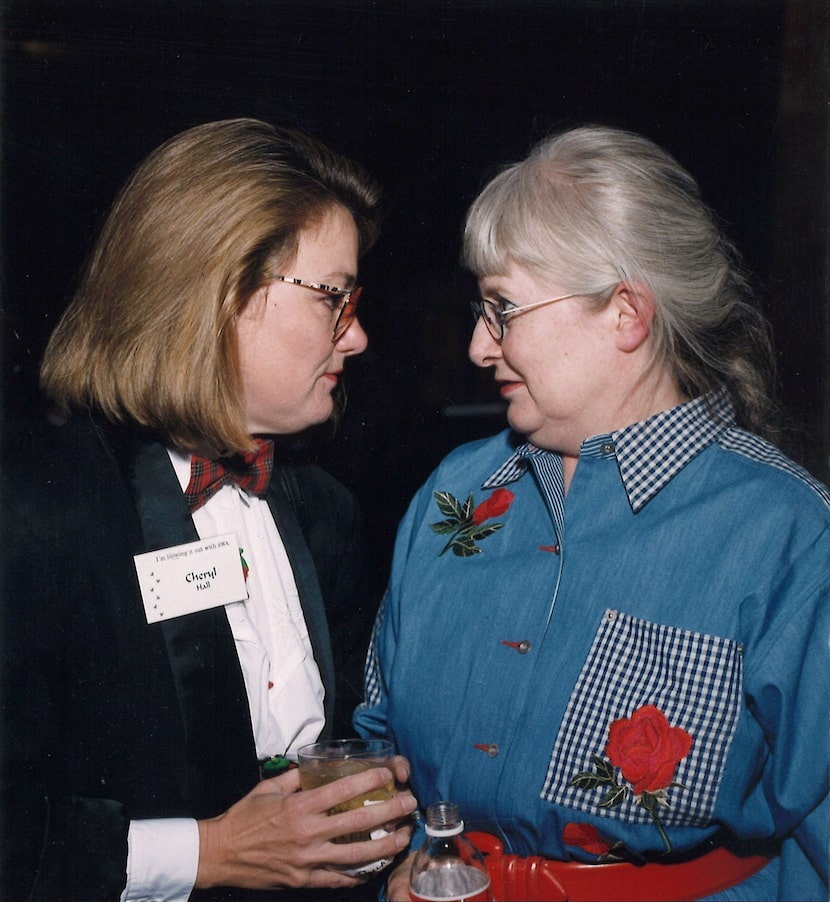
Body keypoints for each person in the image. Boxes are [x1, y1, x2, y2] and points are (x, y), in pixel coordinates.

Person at [354, 124, 829, 901]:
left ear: (626, 315)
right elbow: (379, 749)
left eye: (503, 308)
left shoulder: (789, 538)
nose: (478, 344)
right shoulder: (454, 498)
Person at [0, 118, 416, 902]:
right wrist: (209, 853)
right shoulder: (35, 513)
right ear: (220, 292)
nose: (356, 336)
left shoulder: (323, 510)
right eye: (335, 298)